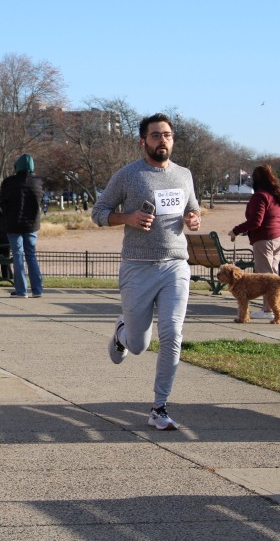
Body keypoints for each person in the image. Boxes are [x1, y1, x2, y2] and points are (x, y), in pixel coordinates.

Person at [91, 113, 202, 431]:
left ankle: (159, 407)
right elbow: (98, 212)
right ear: (143, 141)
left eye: (167, 135)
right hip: (137, 267)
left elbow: (192, 209)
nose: (162, 140)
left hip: (175, 265)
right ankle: (122, 332)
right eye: (155, 135)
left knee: (172, 333)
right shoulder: (128, 175)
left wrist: (194, 219)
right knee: (139, 345)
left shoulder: (184, 175)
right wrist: (127, 218)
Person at [228, 164, 280, 320]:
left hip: (265, 239)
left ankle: (268, 311)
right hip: (279, 237)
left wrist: (236, 230)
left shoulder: (260, 196)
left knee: (266, 276)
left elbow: (256, 221)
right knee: (273, 276)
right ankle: (277, 310)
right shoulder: (277, 195)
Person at [1, 153, 44, 298]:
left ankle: (21, 290)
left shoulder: (8, 182)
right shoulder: (38, 182)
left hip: (13, 223)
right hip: (32, 223)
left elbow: (3, 202)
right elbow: (40, 200)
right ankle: (37, 290)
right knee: (31, 255)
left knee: (18, 256)